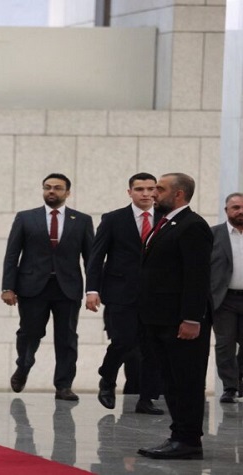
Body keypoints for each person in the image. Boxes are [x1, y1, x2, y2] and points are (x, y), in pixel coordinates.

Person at [137, 173, 212, 460]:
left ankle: (189, 440)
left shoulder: (193, 226)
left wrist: (192, 318)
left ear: (178, 194)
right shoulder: (166, 224)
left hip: (181, 322)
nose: (153, 193)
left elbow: (197, 276)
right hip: (160, 319)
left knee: (186, 381)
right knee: (171, 380)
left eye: (160, 188)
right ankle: (178, 435)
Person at [2, 173, 94, 401]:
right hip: (32, 286)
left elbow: (90, 258)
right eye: (47, 187)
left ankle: (63, 385)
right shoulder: (26, 217)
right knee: (29, 332)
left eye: (57, 188)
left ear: (67, 192)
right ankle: (24, 365)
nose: (51, 191)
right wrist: (7, 287)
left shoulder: (81, 220)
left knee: (67, 338)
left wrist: (92, 290)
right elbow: (12, 254)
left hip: (67, 288)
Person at [85, 172, 163, 414]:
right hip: (120, 293)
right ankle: (107, 378)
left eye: (150, 189)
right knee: (123, 341)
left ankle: (146, 398)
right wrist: (92, 290)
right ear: (130, 192)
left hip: (156, 295)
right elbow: (96, 257)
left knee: (152, 348)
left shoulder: (166, 218)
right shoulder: (113, 219)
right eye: (140, 189)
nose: (146, 194)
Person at [210, 192, 243, 404]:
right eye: (236, 207)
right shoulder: (213, 234)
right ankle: (230, 387)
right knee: (225, 344)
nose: (240, 212)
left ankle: (239, 378)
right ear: (226, 210)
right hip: (224, 299)